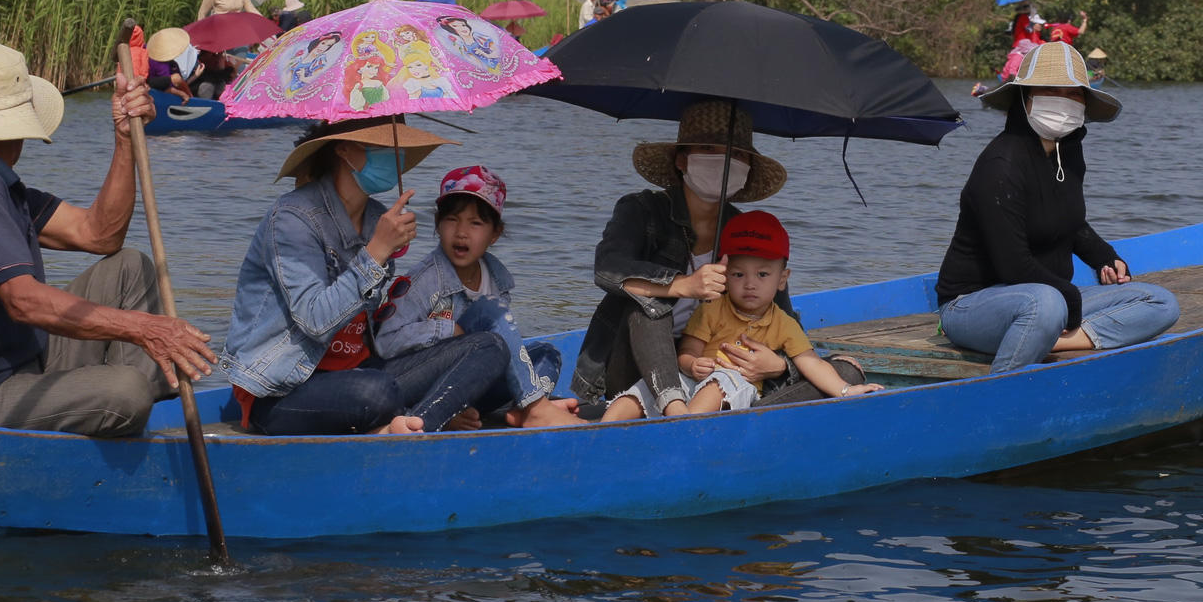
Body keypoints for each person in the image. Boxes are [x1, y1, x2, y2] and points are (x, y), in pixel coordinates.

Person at [0, 42, 214, 434]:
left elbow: (100, 235)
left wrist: (125, 137)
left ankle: (142, 423)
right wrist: (145, 328)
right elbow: (24, 303)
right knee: (127, 389)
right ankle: (130, 420)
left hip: (26, 362)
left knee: (128, 267)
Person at [218, 116, 518, 436]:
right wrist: (376, 252)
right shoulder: (293, 217)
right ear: (346, 149)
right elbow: (315, 322)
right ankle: (413, 419)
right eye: (385, 146)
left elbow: (373, 325)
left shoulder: (377, 217)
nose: (397, 156)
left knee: (491, 349)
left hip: (363, 370)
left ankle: (422, 420)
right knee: (375, 393)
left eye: (397, 146)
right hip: (284, 390)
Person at [935, 41, 1180, 374]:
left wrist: (1104, 256)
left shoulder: (1068, 153)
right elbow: (1013, 267)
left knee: (1160, 302)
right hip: (973, 305)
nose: (1064, 101)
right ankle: (1001, 391)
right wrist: (1071, 298)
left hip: (1048, 299)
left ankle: (1047, 339)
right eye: (1050, 90)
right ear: (1024, 98)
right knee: (1045, 304)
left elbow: (1069, 222)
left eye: (1074, 93)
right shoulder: (1000, 165)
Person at [571, 100, 791, 414]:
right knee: (649, 308)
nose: (724, 160)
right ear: (682, 160)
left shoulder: (748, 233)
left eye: (737, 155)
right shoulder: (642, 210)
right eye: (708, 149)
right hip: (634, 363)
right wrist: (683, 285)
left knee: (842, 370)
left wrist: (778, 365)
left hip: (714, 365)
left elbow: (781, 315)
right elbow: (607, 269)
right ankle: (676, 414)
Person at [375, 165, 583, 428]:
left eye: (475, 223)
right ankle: (536, 407)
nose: (461, 232)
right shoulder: (423, 280)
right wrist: (448, 329)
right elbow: (386, 342)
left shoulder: (496, 279)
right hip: (420, 385)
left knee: (546, 353)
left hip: (471, 383)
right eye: (452, 220)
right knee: (490, 311)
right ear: (438, 224)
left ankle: (526, 409)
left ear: (494, 233)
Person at [654, 211, 881, 417]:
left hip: (738, 393)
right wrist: (692, 364)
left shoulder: (784, 323)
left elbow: (811, 362)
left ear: (782, 279)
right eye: (738, 275)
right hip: (692, 384)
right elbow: (687, 351)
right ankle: (625, 424)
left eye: (762, 275)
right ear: (724, 274)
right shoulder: (712, 310)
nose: (750, 284)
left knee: (846, 370)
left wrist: (845, 390)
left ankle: (685, 426)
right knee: (644, 390)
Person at [144, 27, 195, 98]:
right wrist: (181, 94)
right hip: (154, 86)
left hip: (150, 82)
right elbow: (167, 88)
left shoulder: (172, 64)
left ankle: (191, 98)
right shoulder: (161, 63)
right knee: (176, 78)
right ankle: (191, 98)